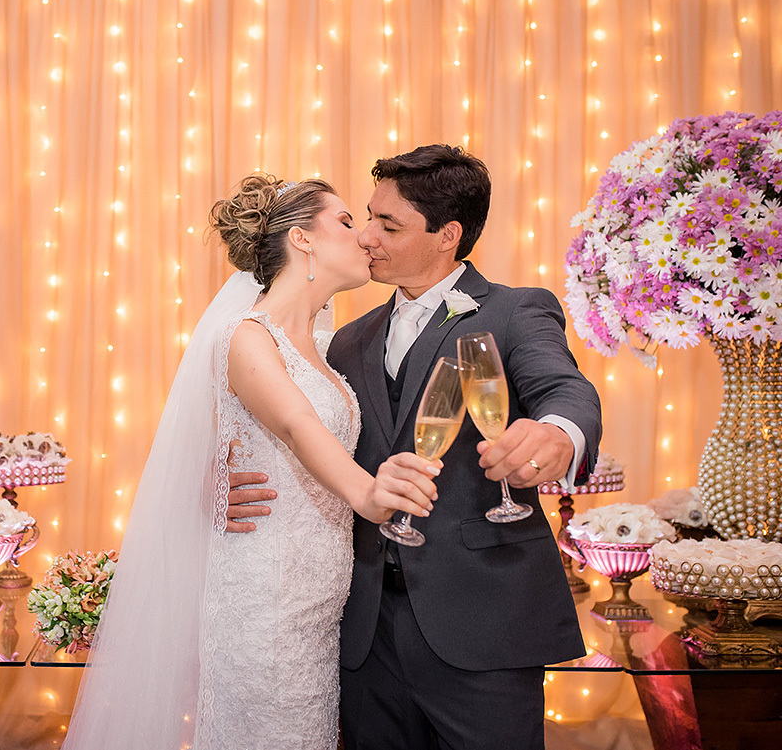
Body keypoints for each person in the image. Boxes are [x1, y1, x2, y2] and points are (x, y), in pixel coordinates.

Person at [227, 145, 601, 750]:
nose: (368, 236)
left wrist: (559, 432)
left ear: (446, 235)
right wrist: (222, 488)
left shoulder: (513, 310)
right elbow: (290, 435)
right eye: (366, 217)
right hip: (362, 632)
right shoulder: (346, 339)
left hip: (482, 626)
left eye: (388, 224)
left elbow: (564, 389)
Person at [62, 174, 438, 750]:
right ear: (302, 241)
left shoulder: (330, 349)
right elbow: (296, 424)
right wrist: (369, 495)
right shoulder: (245, 335)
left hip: (320, 609)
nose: (364, 236)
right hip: (265, 600)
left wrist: (216, 482)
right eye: (344, 221)